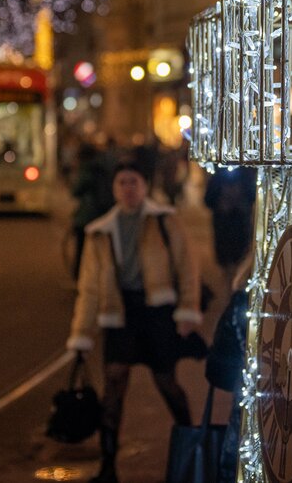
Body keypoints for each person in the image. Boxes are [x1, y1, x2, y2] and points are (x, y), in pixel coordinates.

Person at [67, 162, 203, 483]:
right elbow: (88, 289)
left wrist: (187, 310)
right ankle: (108, 466)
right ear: (115, 189)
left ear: (144, 186)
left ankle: (193, 452)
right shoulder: (98, 231)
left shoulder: (164, 221)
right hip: (120, 314)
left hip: (157, 313)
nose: (128, 188)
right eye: (122, 182)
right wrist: (81, 335)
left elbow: (187, 267)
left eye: (134, 182)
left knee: (167, 383)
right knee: (113, 387)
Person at [203, 166, 258, 282]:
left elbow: (252, 196)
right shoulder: (218, 175)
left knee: (240, 261)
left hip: (240, 225)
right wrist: (221, 204)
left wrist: (240, 203)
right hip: (223, 225)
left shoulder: (244, 173)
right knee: (226, 263)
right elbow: (208, 199)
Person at [69, 141, 114, 279]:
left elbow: (76, 191)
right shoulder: (105, 165)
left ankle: (80, 278)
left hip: (87, 216)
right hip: (104, 213)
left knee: (82, 250)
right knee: (103, 249)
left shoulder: (86, 169)